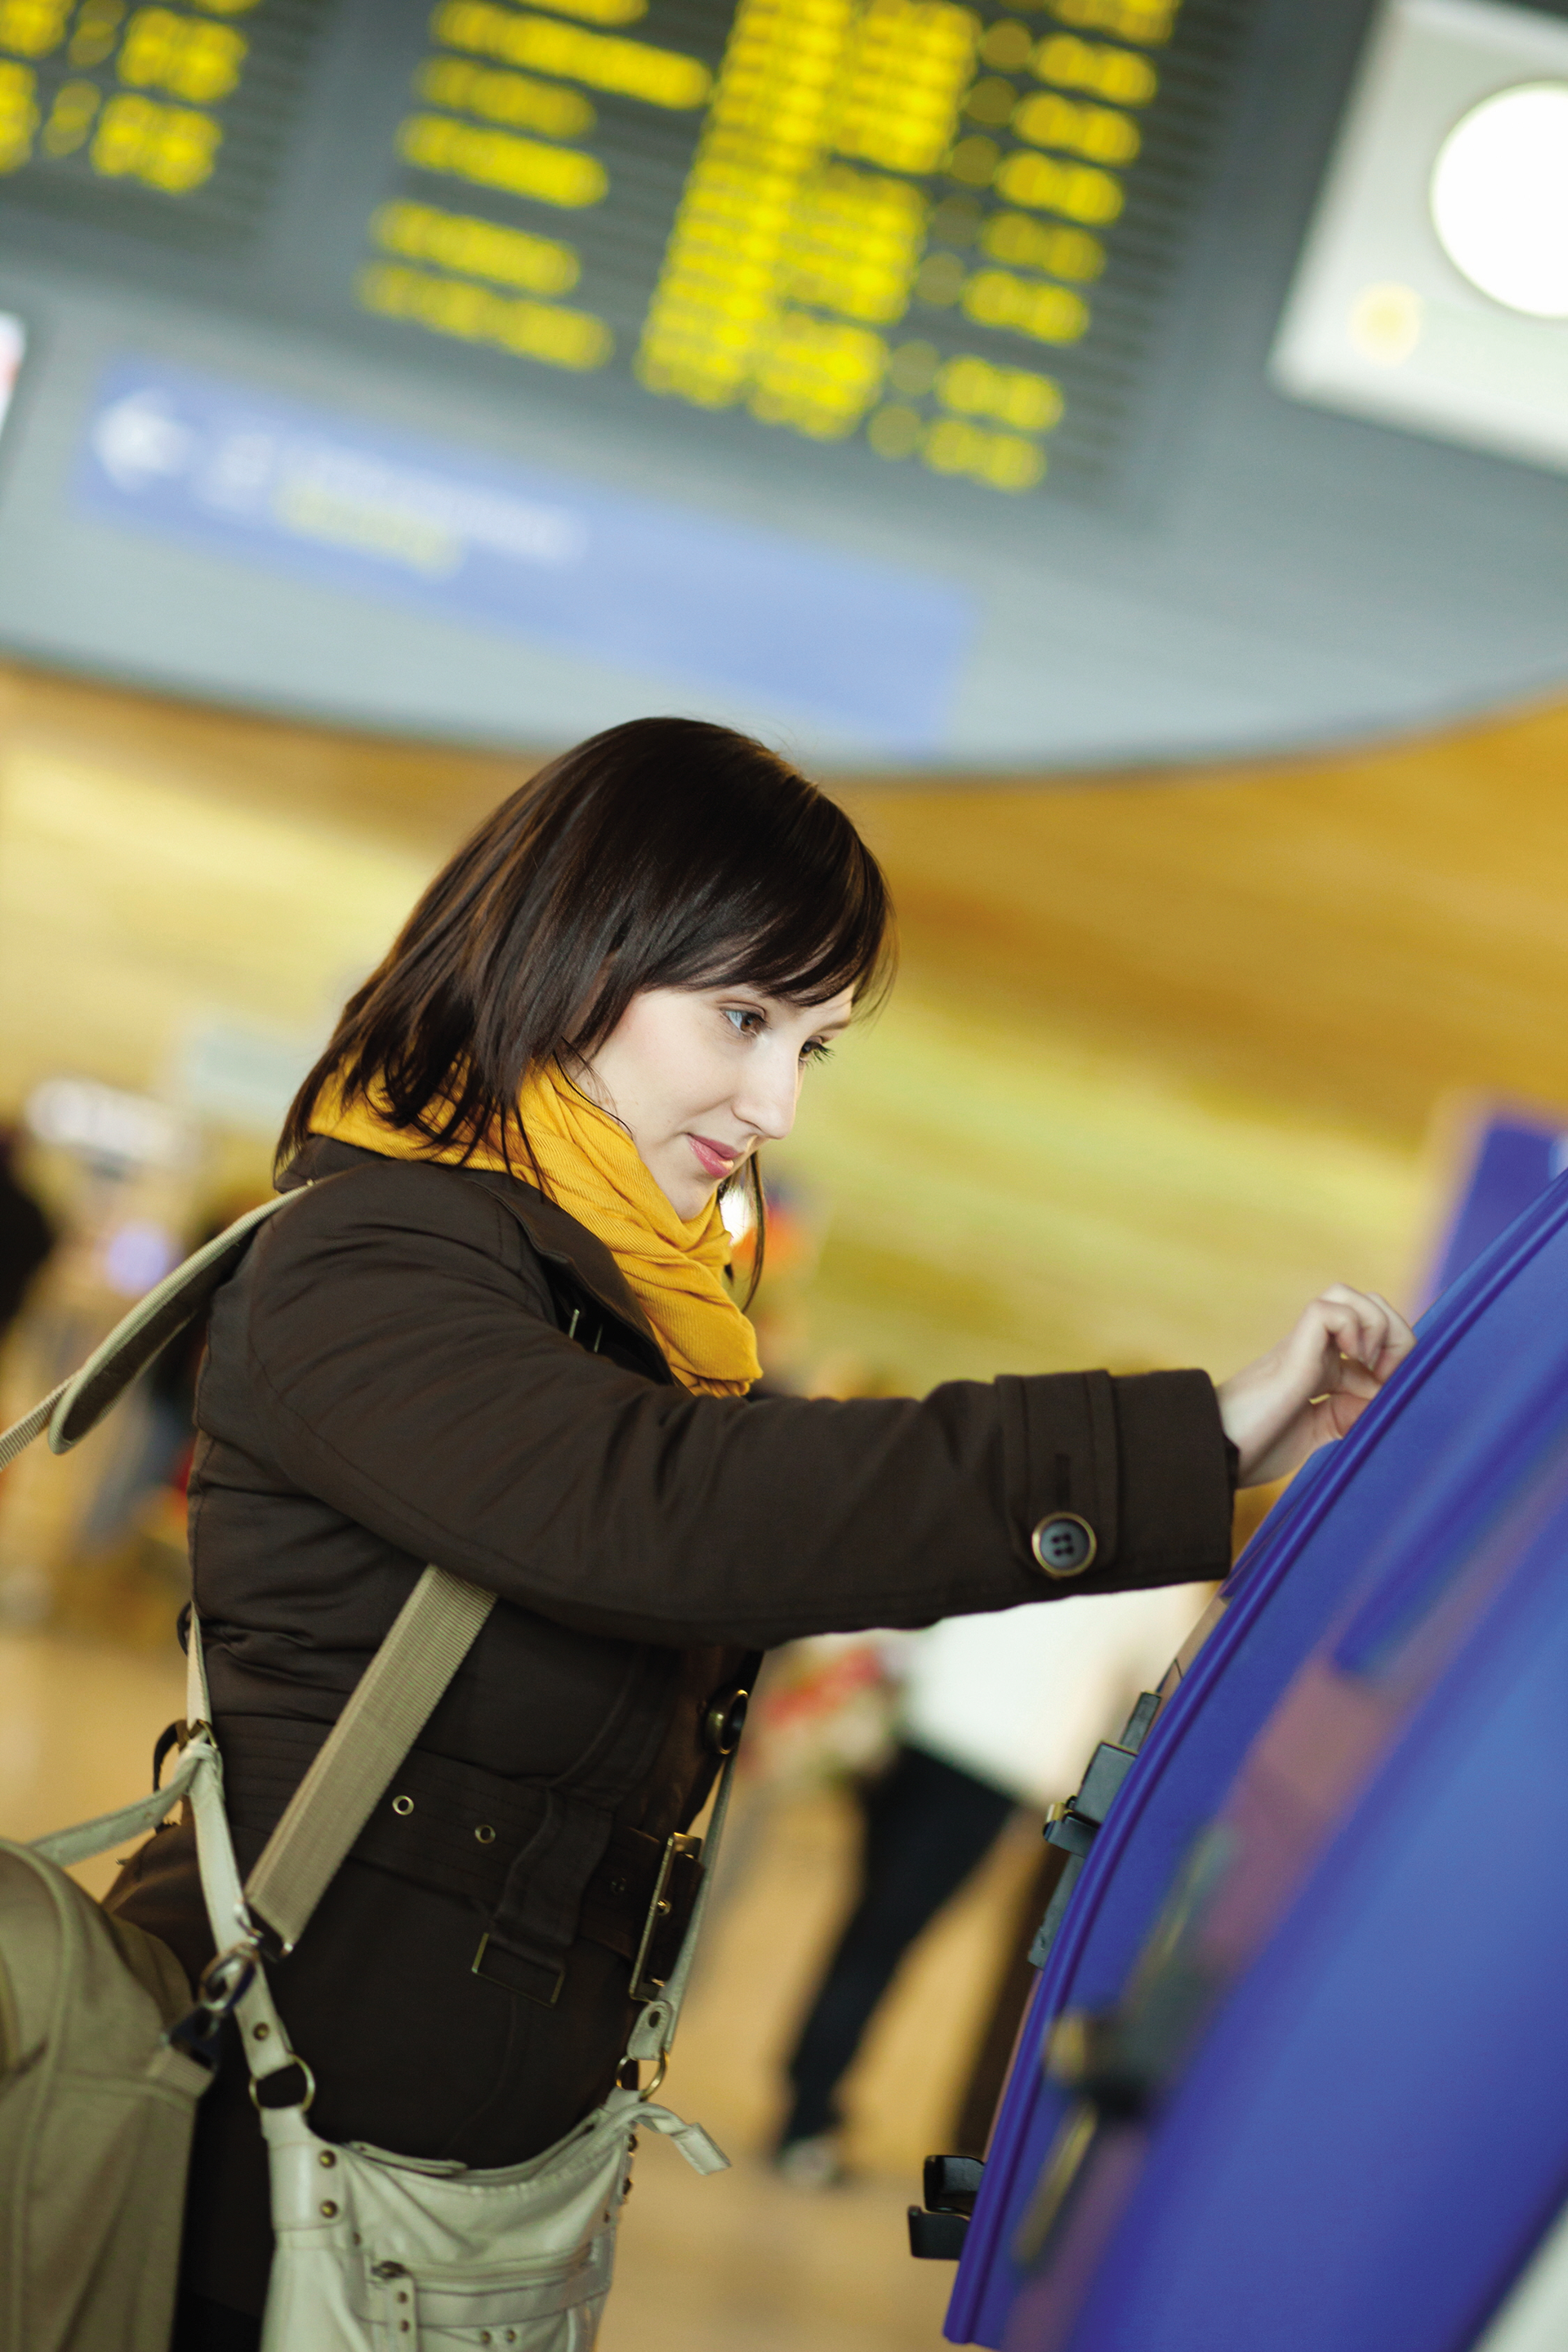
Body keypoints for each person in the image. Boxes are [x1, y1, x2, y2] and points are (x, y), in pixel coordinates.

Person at [105, 716, 1414, 2350]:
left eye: (814, 1045)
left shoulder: (617, 1307)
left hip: (445, 2211)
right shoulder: (366, 1262)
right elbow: (669, 1505)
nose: (777, 1101)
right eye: (743, 1018)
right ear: (575, 950)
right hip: (242, 2192)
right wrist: (1184, 1441)